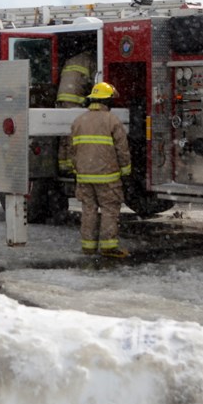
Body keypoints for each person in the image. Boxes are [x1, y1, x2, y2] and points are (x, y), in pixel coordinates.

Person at [69, 81, 132, 258]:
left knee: (88, 209)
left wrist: (77, 170)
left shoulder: (79, 121)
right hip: (107, 177)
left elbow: (72, 150)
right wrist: (126, 171)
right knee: (109, 210)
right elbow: (122, 150)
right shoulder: (112, 120)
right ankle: (108, 247)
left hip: (84, 177)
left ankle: (88, 247)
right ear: (107, 101)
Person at [55, 49, 95, 177]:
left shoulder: (71, 60)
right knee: (74, 135)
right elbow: (95, 81)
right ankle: (72, 167)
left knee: (64, 133)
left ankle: (63, 165)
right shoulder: (90, 61)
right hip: (74, 100)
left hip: (61, 99)